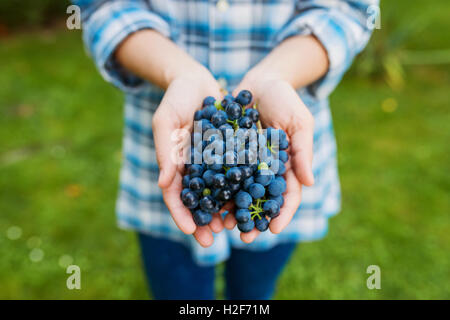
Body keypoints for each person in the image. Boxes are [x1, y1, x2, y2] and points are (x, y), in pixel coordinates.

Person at [74, 0, 378, 299]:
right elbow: (101, 7)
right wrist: (177, 73)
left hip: (282, 140)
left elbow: (349, 10)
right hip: (168, 151)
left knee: (254, 294)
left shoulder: (266, 166)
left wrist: (278, 75)